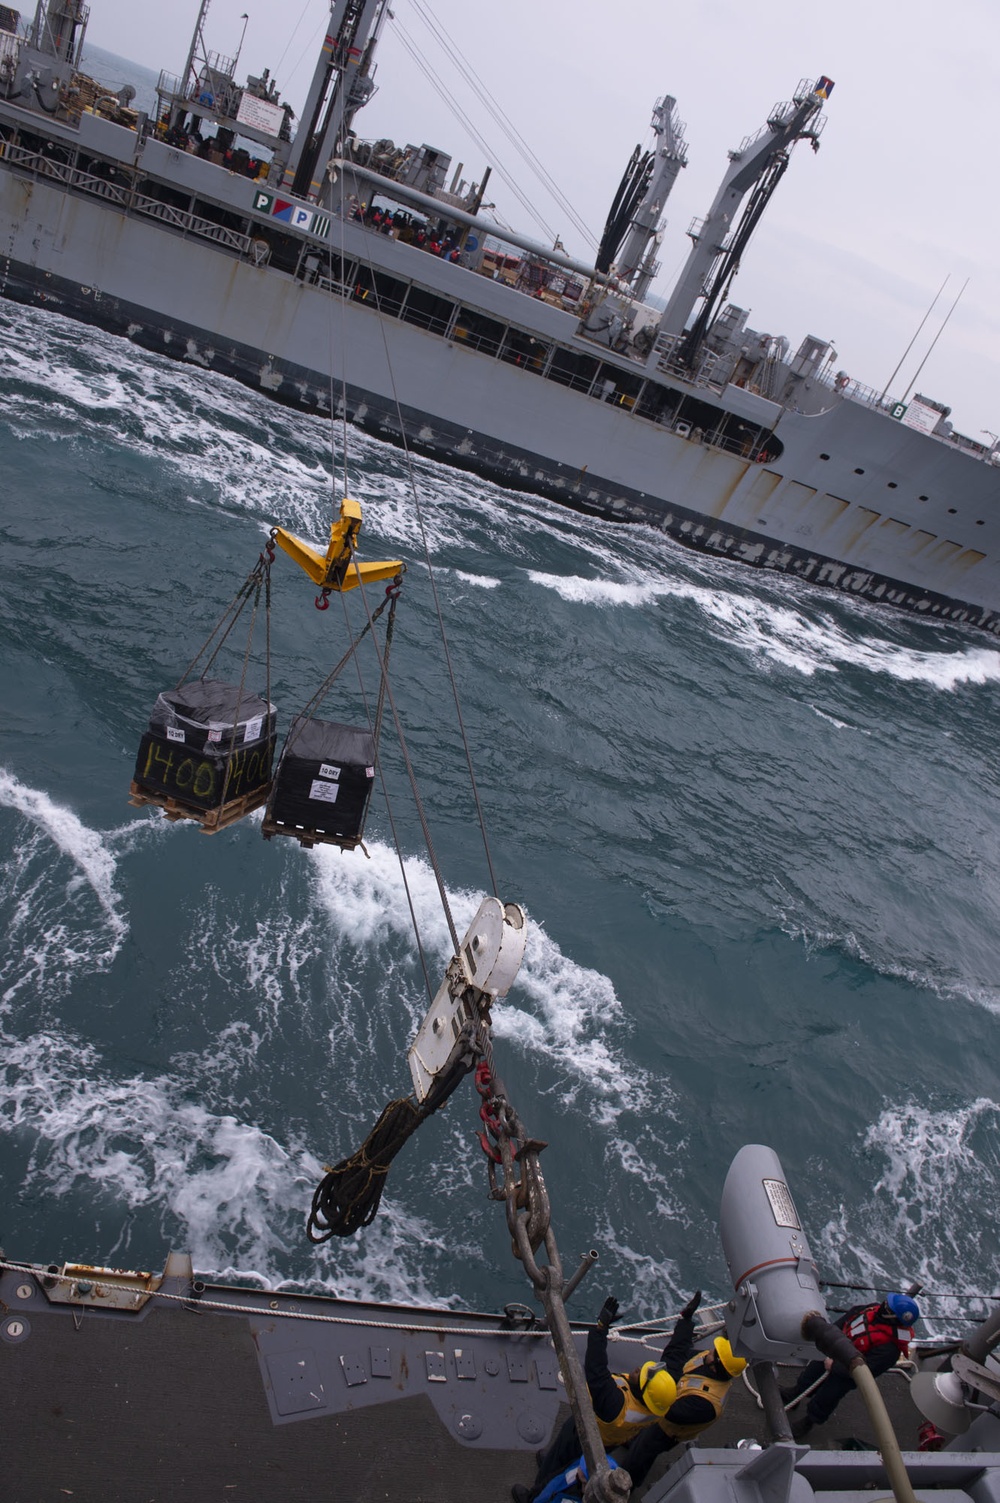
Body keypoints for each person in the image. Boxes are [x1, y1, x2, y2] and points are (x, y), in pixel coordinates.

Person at [511, 1290, 702, 1503]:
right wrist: (686, 1320)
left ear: (641, 1388)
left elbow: (596, 1368)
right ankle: (553, 1466)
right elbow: (675, 1359)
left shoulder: (614, 1405)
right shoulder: (662, 1398)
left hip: (583, 1434)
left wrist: (601, 1328)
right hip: (610, 1442)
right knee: (572, 1463)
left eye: (640, 1374)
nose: (638, 1369)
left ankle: (533, 1494)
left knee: (559, 1467)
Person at [781, 1292, 920, 1439]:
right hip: (834, 1349)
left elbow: (867, 1370)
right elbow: (850, 1317)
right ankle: (795, 1394)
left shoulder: (890, 1349)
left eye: (888, 1308)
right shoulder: (872, 1309)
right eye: (886, 1303)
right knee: (810, 1373)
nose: (883, 1306)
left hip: (847, 1373)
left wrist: (835, 1366)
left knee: (827, 1397)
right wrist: (830, 1337)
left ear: (894, 1318)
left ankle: (808, 1422)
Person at [619, 1335, 747, 1488]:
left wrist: (649, 1390)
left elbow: (671, 1412)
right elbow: (681, 1359)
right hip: (669, 1404)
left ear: (715, 1366)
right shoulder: (708, 1360)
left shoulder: (707, 1404)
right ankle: (631, 1442)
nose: (709, 1351)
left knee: (642, 1454)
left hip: (667, 1431)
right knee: (639, 1438)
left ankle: (625, 1485)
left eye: (714, 1353)